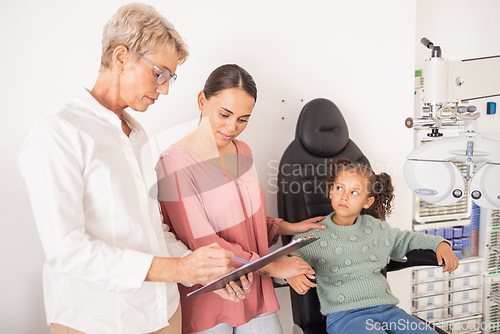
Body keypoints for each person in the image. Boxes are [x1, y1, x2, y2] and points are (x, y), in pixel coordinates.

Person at [18, 4, 237, 334]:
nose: (164, 89)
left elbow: (152, 230)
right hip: (99, 320)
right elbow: (67, 250)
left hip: (162, 314)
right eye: (159, 73)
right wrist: (180, 270)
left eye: (170, 78)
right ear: (121, 57)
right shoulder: (59, 132)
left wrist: (200, 267)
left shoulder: (136, 135)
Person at [155, 64, 325, 333]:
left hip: (255, 290)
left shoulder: (243, 150)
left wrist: (289, 227)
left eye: (243, 119)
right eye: (224, 114)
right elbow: (201, 241)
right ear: (202, 101)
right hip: (214, 295)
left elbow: (246, 218)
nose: (232, 127)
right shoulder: (174, 163)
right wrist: (274, 266)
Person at [286, 158, 460, 334]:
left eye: (354, 192)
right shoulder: (315, 236)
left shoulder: (376, 228)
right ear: (331, 191)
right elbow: (287, 258)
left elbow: (406, 239)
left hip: (389, 311)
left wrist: (440, 244)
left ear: (367, 202)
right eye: (339, 188)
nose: (344, 196)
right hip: (345, 318)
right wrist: (289, 275)